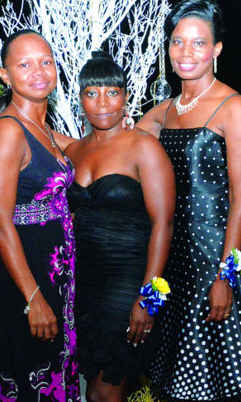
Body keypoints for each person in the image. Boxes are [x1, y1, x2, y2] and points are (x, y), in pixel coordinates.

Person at [137, 0, 241, 400]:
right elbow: (112, 146)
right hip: (171, 258)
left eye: (198, 43)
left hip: (214, 259)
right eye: (178, 42)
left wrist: (225, 277)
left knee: (216, 378)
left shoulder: (234, 109)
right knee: (173, 379)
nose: (186, 52)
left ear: (217, 49)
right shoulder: (160, 114)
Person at [66, 52, 175, 402]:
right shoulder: (73, 151)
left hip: (128, 287)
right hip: (83, 287)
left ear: (126, 96)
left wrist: (149, 299)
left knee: (106, 391)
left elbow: (164, 225)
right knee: (94, 390)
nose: (102, 103)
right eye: (92, 93)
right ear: (80, 98)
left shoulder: (144, 147)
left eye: (112, 92)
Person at [0, 29, 79, 401]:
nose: (38, 71)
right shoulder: (8, 130)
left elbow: (90, 149)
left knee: (54, 367)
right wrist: (33, 297)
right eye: (24, 64)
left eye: (45, 61)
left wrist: (125, 129)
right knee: (29, 374)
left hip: (55, 271)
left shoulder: (46, 131)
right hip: (25, 277)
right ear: (5, 76)